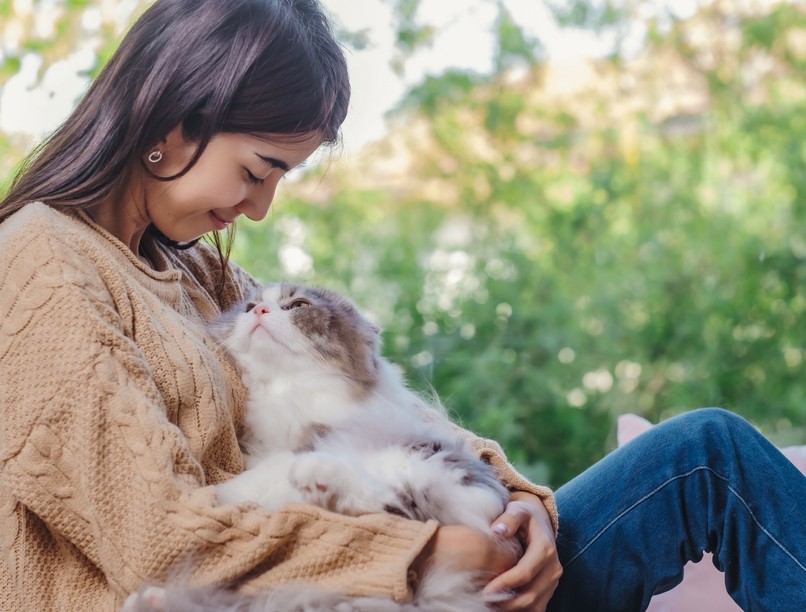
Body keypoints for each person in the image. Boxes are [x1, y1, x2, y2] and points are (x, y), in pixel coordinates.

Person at [0, 1, 803, 611]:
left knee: (705, 454)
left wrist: (525, 505)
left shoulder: (201, 277)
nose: (260, 210)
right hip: (341, 590)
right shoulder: (41, 267)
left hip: (405, 585)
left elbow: (383, 405)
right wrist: (424, 555)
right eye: (256, 170)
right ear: (174, 127)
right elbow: (155, 538)